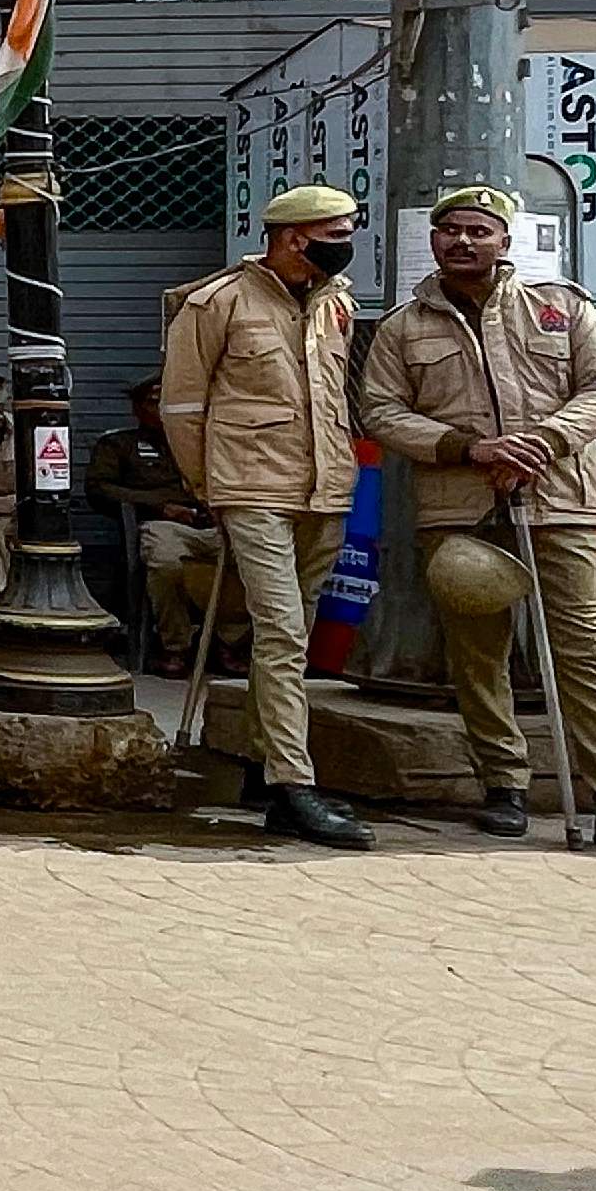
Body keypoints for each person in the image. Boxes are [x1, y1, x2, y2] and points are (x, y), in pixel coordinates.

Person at [358, 187, 596, 868]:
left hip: (561, 502)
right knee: (476, 652)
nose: (461, 241)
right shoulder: (403, 327)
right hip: (459, 508)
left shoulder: (562, 308)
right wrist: (466, 448)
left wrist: (542, 441)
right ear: (432, 241)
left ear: (503, 240)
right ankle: (502, 783)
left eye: (477, 230)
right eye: (448, 230)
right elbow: (379, 410)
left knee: (584, 653)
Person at [161, 184, 368, 849]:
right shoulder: (215, 303)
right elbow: (182, 408)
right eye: (333, 234)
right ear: (290, 238)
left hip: (324, 489)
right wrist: (207, 485)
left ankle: (259, 760)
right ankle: (290, 785)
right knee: (280, 631)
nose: (344, 245)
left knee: (292, 636)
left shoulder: (336, 303)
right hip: (248, 487)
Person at [86, 380, 215, 673]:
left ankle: (230, 643)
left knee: (254, 560)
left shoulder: (202, 443)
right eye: (153, 402)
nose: (161, 410)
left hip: (213, 525)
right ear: (137, 408)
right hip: (163, 524)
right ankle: (176, 647)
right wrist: (159, 507)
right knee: (167, 562)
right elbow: (99, 488)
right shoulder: (120, 445)